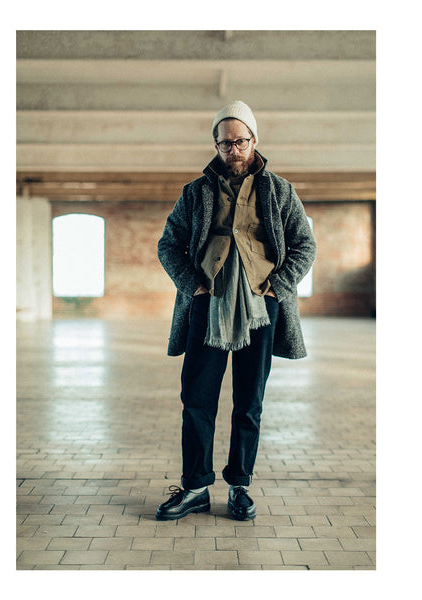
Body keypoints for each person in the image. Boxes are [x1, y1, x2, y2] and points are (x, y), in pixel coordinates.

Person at [156, 100, 315, 521]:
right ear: (216, 145)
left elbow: (304, 245)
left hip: (261, 309)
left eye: (240, 141)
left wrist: (277, 286)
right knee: (196, 400)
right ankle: (195, 488)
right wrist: (193, 285)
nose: (233, 149)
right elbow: (169, 244)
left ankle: (239, 486)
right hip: (207, 307)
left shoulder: (280, 191)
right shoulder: (196, 192)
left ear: (254, 140)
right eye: (225, 143)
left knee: (249, 402)